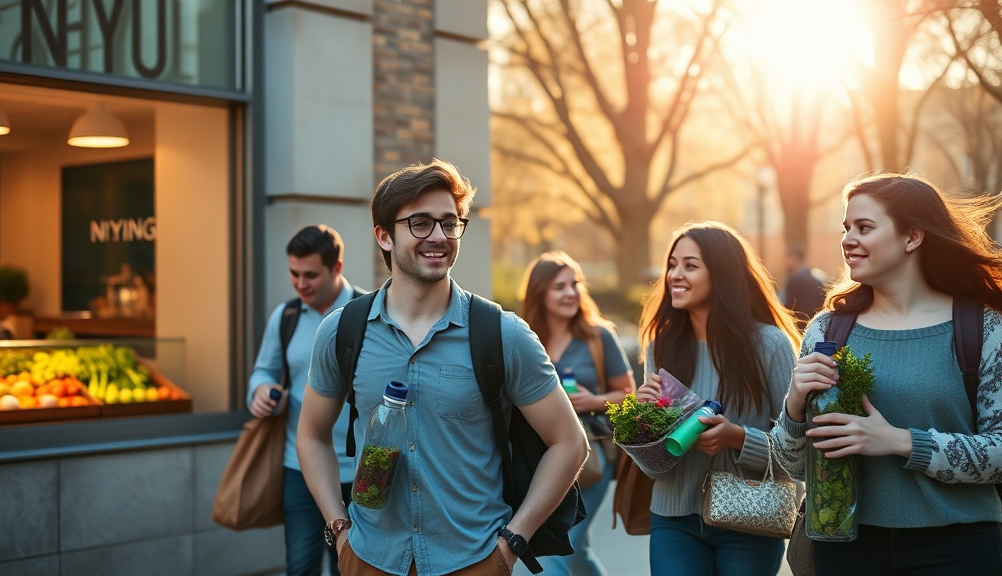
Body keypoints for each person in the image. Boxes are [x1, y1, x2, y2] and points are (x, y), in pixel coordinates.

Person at [297, 159, 588, 576]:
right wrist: (339, 529)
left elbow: (569, 442)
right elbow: (311, 435)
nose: (439, 237)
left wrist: (512, 544)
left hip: (474, 559)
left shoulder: (503, 334)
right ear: (383, 235)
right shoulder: (342, 331)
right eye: (420, 223)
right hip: (370, 557)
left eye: (450, 223)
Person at [770, 174, 1002, 575]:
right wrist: (794, 404)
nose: (847, 240)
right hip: (847, 547)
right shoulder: (828, 332)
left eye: (864, 227)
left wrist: (898, 441)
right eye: (846, 228)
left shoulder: (983, 330)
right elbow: (792, 466)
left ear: (912, 237)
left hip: (961, 547)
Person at [635, 221, 800, 576]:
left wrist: (738, 439)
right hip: (673, 519)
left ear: (722, 275)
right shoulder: (661, 345)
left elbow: (799, 452)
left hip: (750, 518)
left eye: (690, 266)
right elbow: (653, 466)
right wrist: (643, 422)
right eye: (672, 264)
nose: (675, 275)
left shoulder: (770, 346)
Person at [247, 225, 363, 576]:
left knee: (353, 568)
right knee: (300, 567)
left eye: (310, 275)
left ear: (337, 268)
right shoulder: (286, 317)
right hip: (299, 469)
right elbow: (263, 371)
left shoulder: (368, 314)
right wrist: (261, 392)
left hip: (360, 473)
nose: (300, 284)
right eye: (294, 274)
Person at [517, 250, 636, 576]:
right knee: (577, 550)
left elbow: (630, 396)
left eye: (575, 284)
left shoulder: (599, 337)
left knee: (559, 551)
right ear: (539, 293)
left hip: (591, 457)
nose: (570, 293)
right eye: (559, 287)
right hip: (538, 458)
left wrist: (594, 401)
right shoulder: (523, 337)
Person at [780, 244, 826, 327]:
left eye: (787, 258)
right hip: (816, 324)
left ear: (794, 258)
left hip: (799, 326)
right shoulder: (816, 277)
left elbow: (786, 306)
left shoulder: (795, 280)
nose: (785, 262)